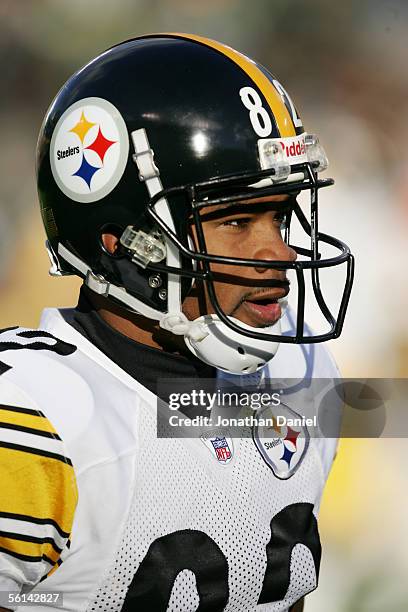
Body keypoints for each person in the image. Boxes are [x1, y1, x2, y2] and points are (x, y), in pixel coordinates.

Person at [0, 33, 354, 612]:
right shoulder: (33, 416)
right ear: (123, 244)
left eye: (278, 214)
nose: (280, 251)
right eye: (237, 221)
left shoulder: (299, 367)